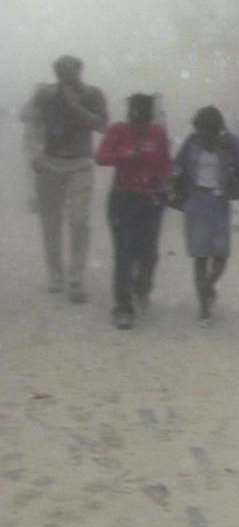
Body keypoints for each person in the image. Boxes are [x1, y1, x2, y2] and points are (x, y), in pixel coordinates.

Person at [20, 55, 108, 303]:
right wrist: (34, 153)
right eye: (58, 72)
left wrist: (74, 105)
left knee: (79, 219)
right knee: (51, 221)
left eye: (67, 71)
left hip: (79, 163)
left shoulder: (93, 94)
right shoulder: (46, 93)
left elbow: (102, 126)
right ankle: (55, 274)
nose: (62, 76)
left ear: (79, 70)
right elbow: (26, 117)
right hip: (48, 161)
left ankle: (76, 276)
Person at [95, 94, 172, 330]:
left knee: (148, 251)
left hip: (150, 198)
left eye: (144, 123)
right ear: (130, 118)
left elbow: (166, 161)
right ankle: (123, 306)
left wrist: (169, 182)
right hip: (123, 197)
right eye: (137, 123)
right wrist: (122, 155)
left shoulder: (158, 133)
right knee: (124, 253)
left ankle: (141, 286)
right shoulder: (118, 130)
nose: (141, 128)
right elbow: (100, 157)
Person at [172, 106, 239, 327]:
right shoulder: (192, 142)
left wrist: (234, 152)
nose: (205, 138)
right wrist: (174, 176)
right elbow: (178, 164)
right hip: (196, 201)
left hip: (219, 201)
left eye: (209, 134)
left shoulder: (230, 142)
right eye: (202, 133)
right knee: (200, 256)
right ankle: (204, 308)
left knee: (221, 255)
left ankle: (208, 285)